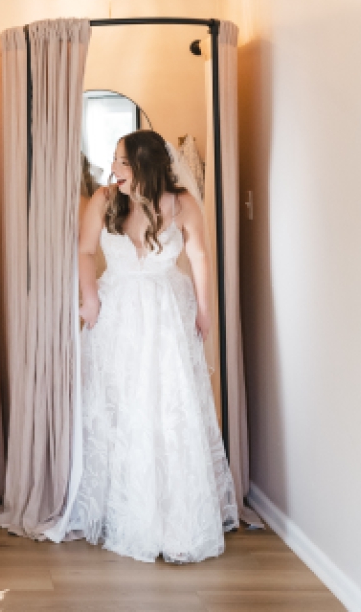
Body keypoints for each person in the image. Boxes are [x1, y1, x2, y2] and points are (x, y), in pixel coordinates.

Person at [67, 129, 237, 563]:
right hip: (118, 315)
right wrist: (89, 299)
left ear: (143, 164)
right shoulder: (104, 200)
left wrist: (204, 310)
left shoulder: (182, 204)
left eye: (122, 162)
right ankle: (122, 510)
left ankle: (174, 518)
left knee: (168, 407)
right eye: (114, 161)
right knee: (121, 407)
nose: (113, 170)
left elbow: (200, 257)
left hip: (167, 315)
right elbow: (85, 252)